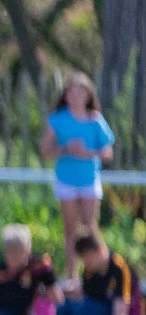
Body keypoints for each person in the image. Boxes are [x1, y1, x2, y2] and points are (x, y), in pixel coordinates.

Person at [41, 73, 115, 281]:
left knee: (90, 228)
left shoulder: (95, 120)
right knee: (71, 230)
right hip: (66, 180)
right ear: (66, 95)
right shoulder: (57, 119)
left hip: (89, 179)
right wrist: (66, 149)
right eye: (72, 92)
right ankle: (73, 275)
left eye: (81, 92)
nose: (76, 96)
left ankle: (97, 272)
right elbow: (45, 151)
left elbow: (108, 153)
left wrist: (87, 153)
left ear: (88, 95)